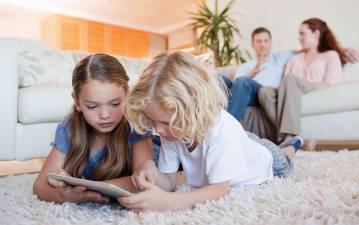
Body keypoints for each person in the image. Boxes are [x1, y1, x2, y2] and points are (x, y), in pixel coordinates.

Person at [118, 52, 303, 211]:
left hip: (268, 161)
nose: (158, 129)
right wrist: (151, 173)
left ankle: (293, 144)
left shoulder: (222, 132)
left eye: (165, 122)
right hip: (239, 146)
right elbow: (169, 181)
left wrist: (168, 202)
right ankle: (250, 141)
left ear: (193, 110)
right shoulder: (171, 131)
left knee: (285, 155)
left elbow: (219, 190)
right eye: (153, 121)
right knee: (244, 141)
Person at [33, 54, 156, 203]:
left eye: (115, 104)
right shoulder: (69, 128)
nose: (105, 115)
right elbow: (40, 186)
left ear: (127, 95)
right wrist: (67, 195)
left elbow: (143, 182)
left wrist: (89, 188)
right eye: (92, 106)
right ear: (77, 102)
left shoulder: (136, 124)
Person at [258, 18, 349, 143]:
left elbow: (332, 83)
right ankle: (288, 137)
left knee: (290, 79)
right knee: (264, 91)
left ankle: (290, 135)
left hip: (315, 89)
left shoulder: (330, 55)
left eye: (302, 33)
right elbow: (284, 84)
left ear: (316, 34)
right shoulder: (295, 58)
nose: (299, 37)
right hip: (291, 91)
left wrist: (300, 84)